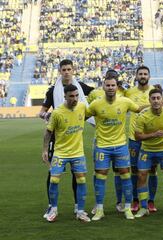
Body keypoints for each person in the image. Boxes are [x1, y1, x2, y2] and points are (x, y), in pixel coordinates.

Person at [39, 59, 94, 218]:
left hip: (75, 138)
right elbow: (41, 112)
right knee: (53, 174)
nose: (67, 72)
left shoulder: (81, 87)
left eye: (69, 69)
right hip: (57, 137)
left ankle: (78, 206)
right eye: (64, 69)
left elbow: (98, 95)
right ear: (60, 71)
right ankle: (51, 206)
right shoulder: (52, 91)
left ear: (73, 70)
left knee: (78, 175)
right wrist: (47, 115)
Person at [86, 76, 144, 221]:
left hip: (120, 145)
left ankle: (127, 208)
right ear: (103, 87)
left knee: (125, 175)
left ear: (117, 87)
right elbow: (82, 115)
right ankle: (99, 209)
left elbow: (138, 109)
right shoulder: (95, 104)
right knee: (100, 176)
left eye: (113, 85)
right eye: (108, 85)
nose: (111, 87)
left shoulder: (124, 102)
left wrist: (157, 103)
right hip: (102, 146)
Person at [134, 88, 163, 217]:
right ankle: (143, 207)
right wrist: (154, 134)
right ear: (149, 100)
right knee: (141, 176)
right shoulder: (143, 116)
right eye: (153, 98)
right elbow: (137, 137)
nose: (156, 101)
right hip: (147, 150)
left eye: (158, 98)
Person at [125, 66, 158, 212]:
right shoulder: (129, 92)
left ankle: (151, 201)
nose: (143, 76)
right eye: (140, 74)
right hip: (134, 137)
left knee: (152, 170)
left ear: (149, 76)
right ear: (136, 76)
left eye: (145, 74)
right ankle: (135, 200)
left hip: (150, 139)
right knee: (134, 170)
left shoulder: (155, 92)